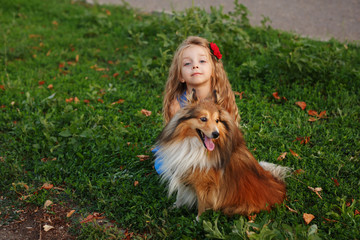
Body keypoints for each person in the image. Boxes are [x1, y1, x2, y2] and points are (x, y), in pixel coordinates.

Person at [154, 36, 240, 174]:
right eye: (187, 63)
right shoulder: (177, 103)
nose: (195, 65)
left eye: (202, 61)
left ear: (213, 69)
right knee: (164, 166)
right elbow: (175, 137)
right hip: (187, 148)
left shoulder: (220, 99)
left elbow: (227, 135)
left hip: (215, 147)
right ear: (180, 76)